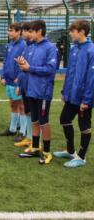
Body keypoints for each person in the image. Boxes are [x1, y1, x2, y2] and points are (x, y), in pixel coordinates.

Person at [54, 20, 94, 168]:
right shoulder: (75, 48)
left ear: (82, 32)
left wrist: (87, 100)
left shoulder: (91, 50)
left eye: (73, 31)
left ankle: (81, 157)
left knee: (84, 125)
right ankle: (70, 151)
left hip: (84, 97)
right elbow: (70, 73)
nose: (70, 33)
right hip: (72, 94)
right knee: (64, 119)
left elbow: (92, 78)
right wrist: (65, 91)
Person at [17, 20, 57, 165]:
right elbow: (27, 67)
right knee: (34, 120)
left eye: (32, 31)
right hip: (31, 90)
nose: (29, 34)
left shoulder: (50, 48)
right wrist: (22, 65)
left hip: (43, 92)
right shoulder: (32, 47)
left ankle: (46, 152)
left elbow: (50, 69)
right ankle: (35, 147)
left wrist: (29, 68)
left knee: (43, 122)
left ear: (39, 31)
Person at [0, 23, 26, 138]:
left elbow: (24, 62)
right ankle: (12, 129)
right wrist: (2, 76)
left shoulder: (23, 45)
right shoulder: (10, 45)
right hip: (8, 81)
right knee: (13, 104)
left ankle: (23, 132)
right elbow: (5, 61)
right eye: (8, 30)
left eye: (11, 30)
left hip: (17, 81)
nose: (8, 32)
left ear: (18, 31)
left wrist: (19, 77)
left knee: (22, 106)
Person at [14, 22, 34, 147]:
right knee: (27, 111)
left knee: (35, 115)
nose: (22, 34)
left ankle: (34, 140)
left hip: (35, 87)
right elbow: (23, 68)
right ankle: (29, 137)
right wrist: (20, 85)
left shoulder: (41, 47)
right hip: (25, 85)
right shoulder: (27, 47)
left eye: (24, 32)